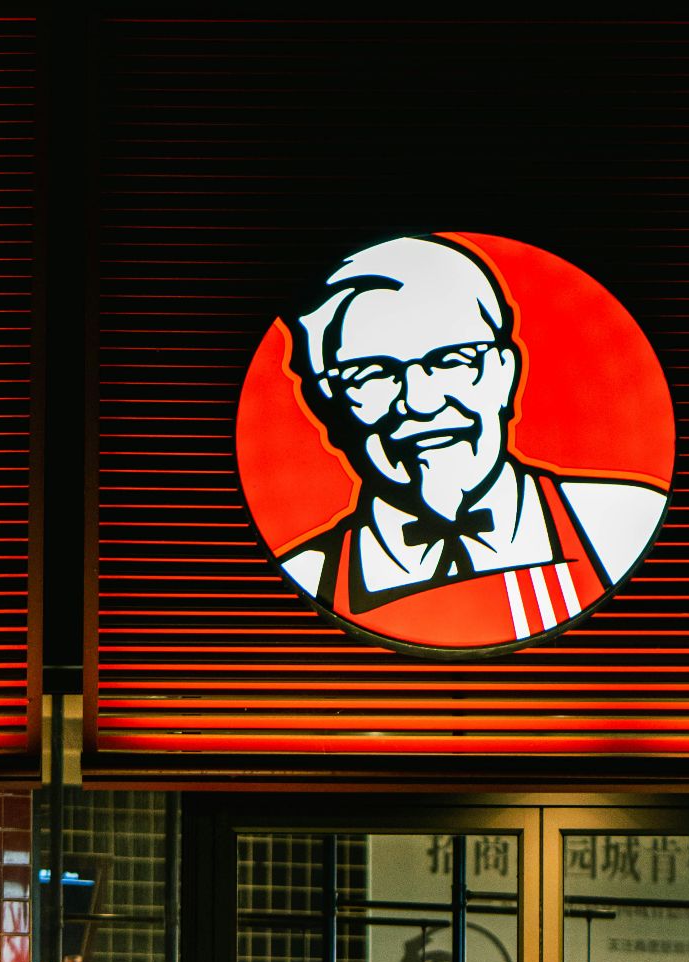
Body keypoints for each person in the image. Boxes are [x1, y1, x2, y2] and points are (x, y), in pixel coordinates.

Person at [277, 234, 668, 651]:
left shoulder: (617, 524)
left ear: (505, 373)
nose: (421, 402)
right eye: (372, 374)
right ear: (326, 407)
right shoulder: (307, 574)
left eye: (451, 361)